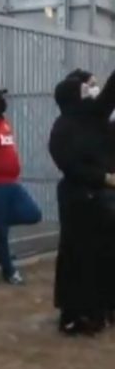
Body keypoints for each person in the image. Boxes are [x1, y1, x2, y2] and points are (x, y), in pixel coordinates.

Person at [48, 69, 115, 335]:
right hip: (78, 201)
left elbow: (110, 94)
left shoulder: (94, 119)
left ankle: (102, 309)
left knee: (105, 256)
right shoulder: (63, 128)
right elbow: (70, 165)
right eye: (85, 90)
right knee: (79, 258)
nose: (92, 93)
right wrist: (104, 178)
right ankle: (76, 314)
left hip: (101, 201)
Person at [0, 87, 43, 285]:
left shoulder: (2, 122)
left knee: (33, 214)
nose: (1, 101)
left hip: (12, 183)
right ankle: (9, 272)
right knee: (1, 234)